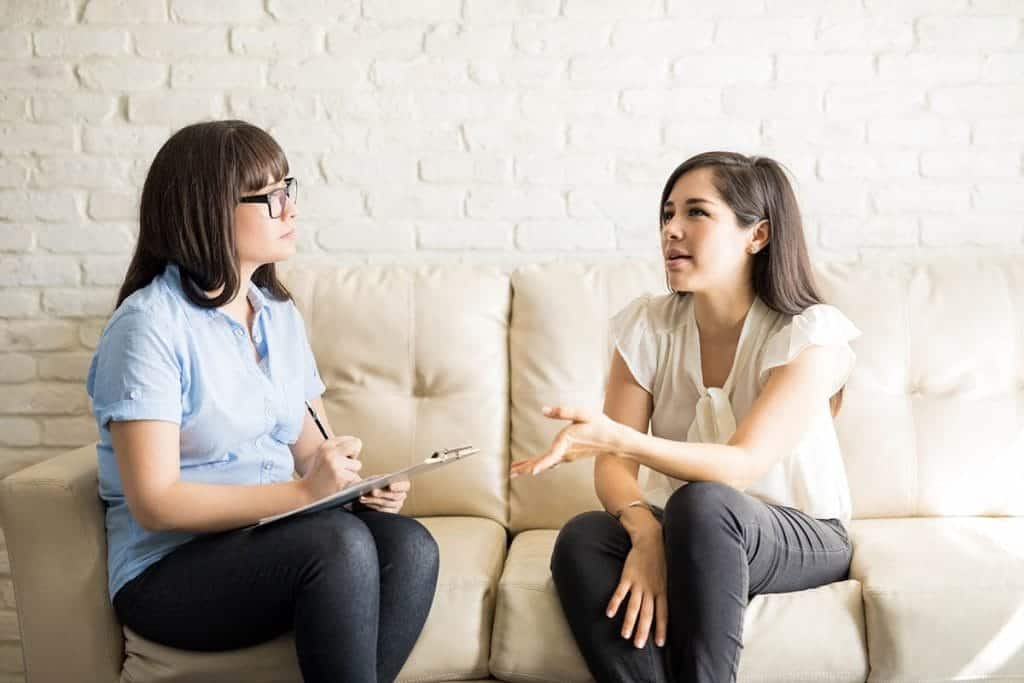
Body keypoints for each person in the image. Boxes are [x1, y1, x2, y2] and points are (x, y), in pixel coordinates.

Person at [86, 120, 439, 683]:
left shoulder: (277, 315)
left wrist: (354, 486)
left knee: (412, 546)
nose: (290, 209)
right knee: (337, 544)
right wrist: (303, 493)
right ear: (207, 210)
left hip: (269, 542)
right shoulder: (148, 326)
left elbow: (310, 448)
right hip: (169, 569)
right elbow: (155, 501)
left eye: (287, 189)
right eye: (270, 197)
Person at [512, 151, 861, 683]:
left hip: (800, 532)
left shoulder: (811, 334)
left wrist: (621, 438)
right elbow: (612, 470)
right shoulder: (647, 326)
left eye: (696, 213)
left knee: (703, 502)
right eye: (667, 214)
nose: (672, 229)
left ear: (757, 235)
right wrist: (646, 536)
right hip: (688, 527)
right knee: (584, 537)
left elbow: (741, 466)